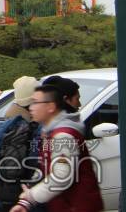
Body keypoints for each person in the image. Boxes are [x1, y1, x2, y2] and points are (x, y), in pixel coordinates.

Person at [8, 83, 103, 212]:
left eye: (36, 102)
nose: (31, 107)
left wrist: (31, 196)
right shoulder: (50, 133)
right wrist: (26, 200)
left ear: (51, 107)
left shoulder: (63, 136)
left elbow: (61, 177)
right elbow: (45, 168)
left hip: (77, 206)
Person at [0, 76, 41, 212]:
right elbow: (16, 169)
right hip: (14, 196)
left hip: (1, 191)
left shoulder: (10, 124)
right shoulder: (23, 128)